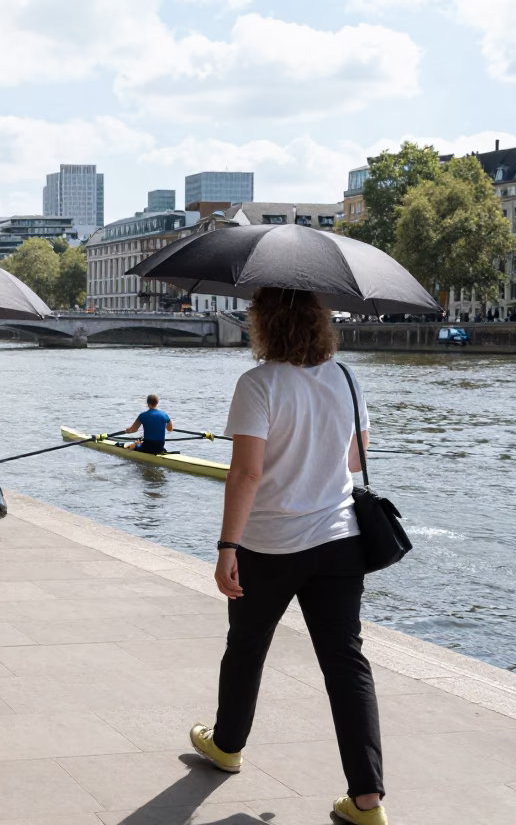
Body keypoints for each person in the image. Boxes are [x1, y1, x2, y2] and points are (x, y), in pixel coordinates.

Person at [189, 287, 385, 825]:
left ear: (264, 323)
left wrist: (227, 545)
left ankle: (227, 745)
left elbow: (248, 473)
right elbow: (353, 458)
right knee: (347, 663)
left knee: (247, 646)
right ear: (321, 323)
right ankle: (366, 799)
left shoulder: (258, 384)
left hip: (269, 544)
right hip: (340, 540)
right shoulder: (347, 379)